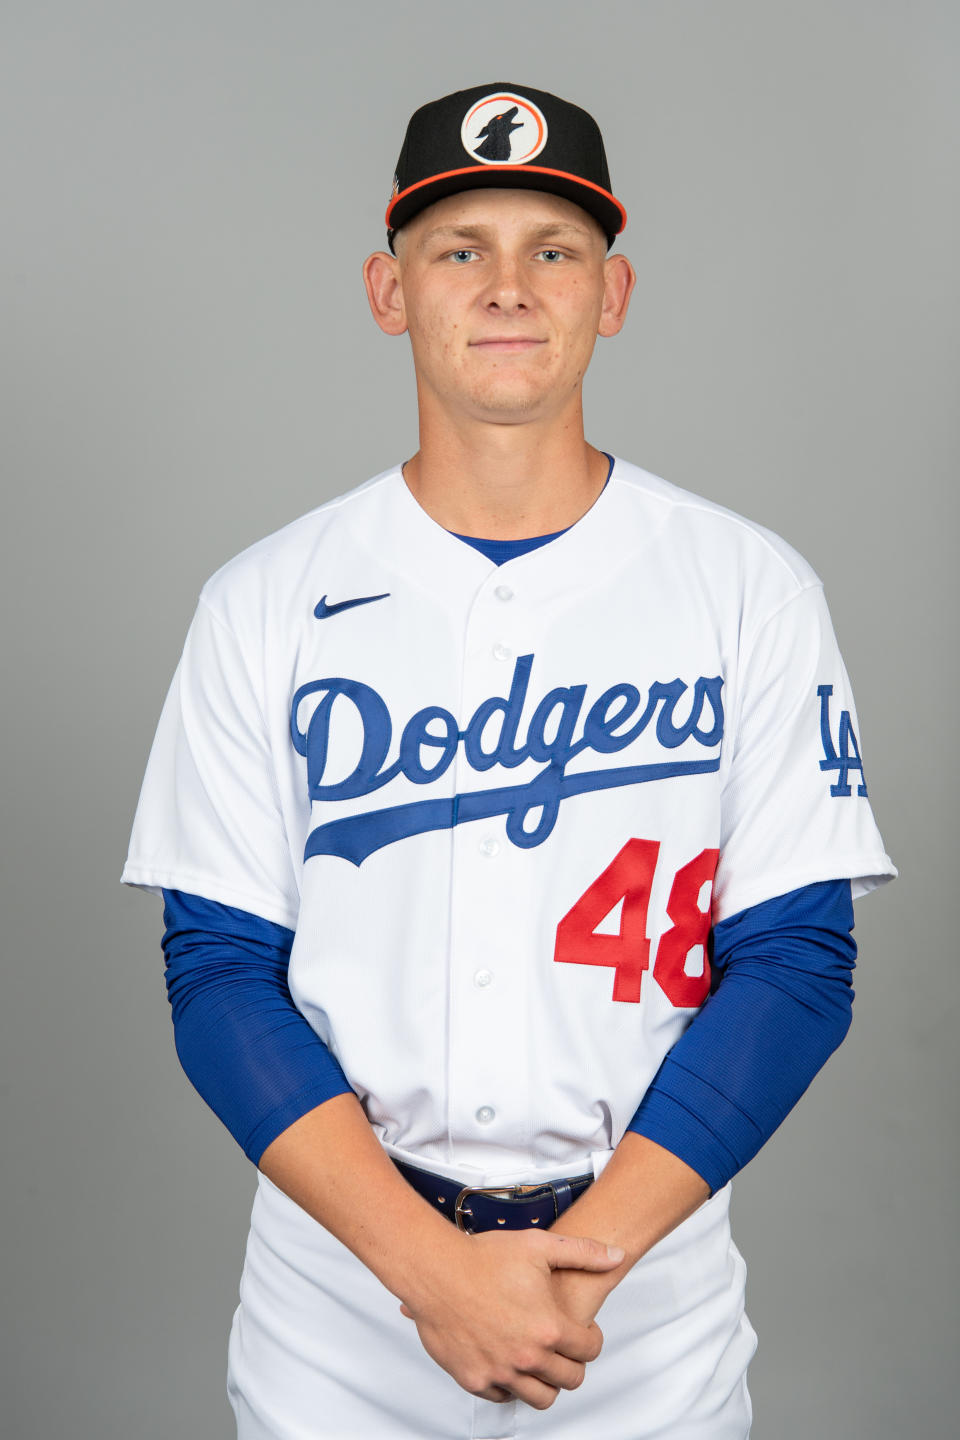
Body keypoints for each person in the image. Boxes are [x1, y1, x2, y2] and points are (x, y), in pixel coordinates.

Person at [123, 83, 896, 1439]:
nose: (507, 285)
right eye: (458, 248)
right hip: (344, 1300)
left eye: (554, 249)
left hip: (643, 1295)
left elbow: (794, 963)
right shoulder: (263, 601)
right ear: (388, 289)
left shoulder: (746, 588)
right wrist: (431, 1274)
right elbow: (218, 972)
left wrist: (581, 1266)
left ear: (614, 293)